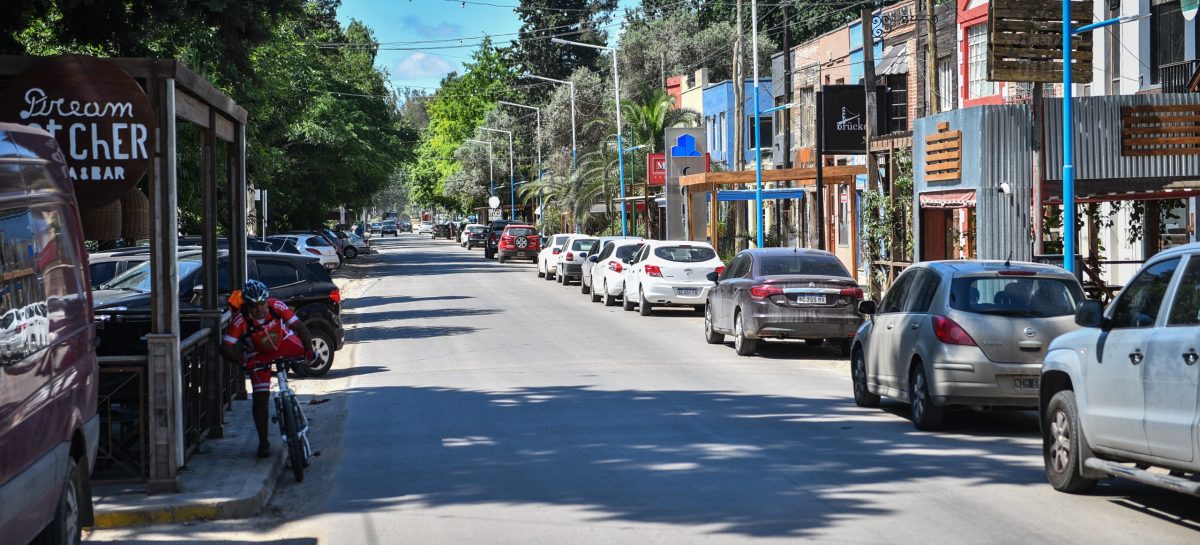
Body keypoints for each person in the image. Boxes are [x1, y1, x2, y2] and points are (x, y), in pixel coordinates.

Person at [220, 280, 316, 458]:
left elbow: (299, 327)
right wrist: (242, 362)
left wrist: (310, 350)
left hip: (283, 343)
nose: (260, 309)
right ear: (247, 306)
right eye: (254, 306)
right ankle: (263, 441)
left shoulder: (276, 305)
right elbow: (225, 347)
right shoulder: (240, 320)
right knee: (260, 398)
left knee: (308, 356)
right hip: (258, 354)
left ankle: (290, 395)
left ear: (267, 300)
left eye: (262, 303)